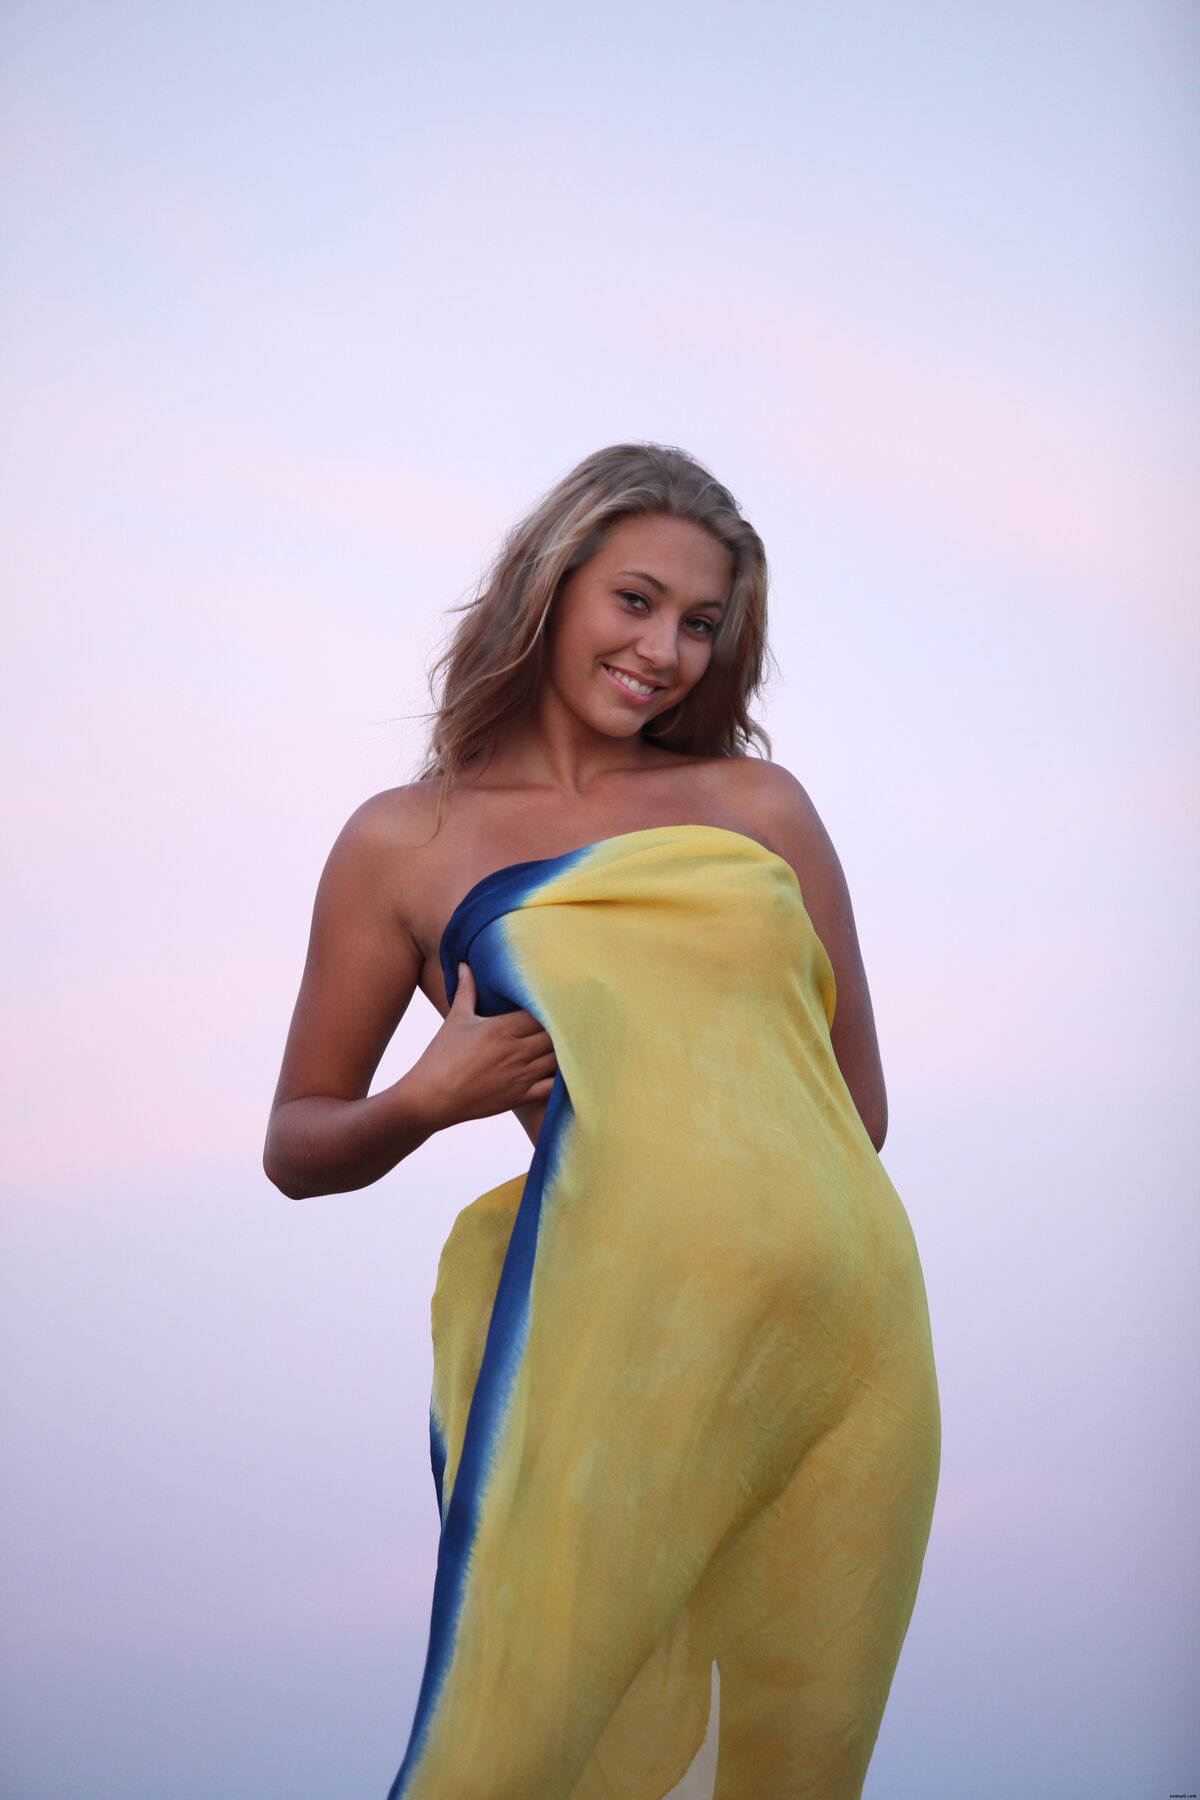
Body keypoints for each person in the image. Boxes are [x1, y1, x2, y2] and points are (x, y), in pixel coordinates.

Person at [264, 444, 940, 1800]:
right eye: (635, 601)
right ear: (550, 583)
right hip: (613, 1347)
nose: (664, 652)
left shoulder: (759, 808)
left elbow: (854, 1108)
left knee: (793, 1754)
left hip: (845, 1346)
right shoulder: (405, 843)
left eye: (701, 624)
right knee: (515, 1743)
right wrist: (427, 1100)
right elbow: (297, 1141)